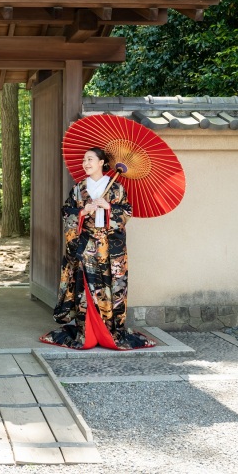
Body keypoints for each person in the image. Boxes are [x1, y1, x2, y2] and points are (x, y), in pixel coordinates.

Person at [40, 147, 155, 350]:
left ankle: (109, 332)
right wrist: (83, 210)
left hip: (109, 247)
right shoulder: (78, 188)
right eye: (84, 160)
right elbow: (67, 212)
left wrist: (109, 207)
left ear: (102, 163)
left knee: (109, 287)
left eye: (90, 159)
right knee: (85, 287)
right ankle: (87, 331)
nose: (86, 163)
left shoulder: (116, 189)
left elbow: (127, 212)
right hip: (85, 244)